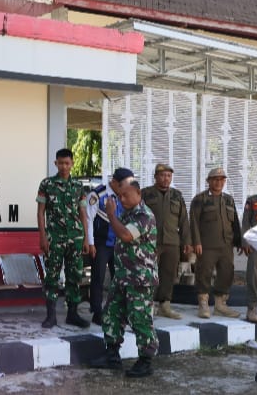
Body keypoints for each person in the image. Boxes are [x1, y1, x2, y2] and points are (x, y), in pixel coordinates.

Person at [90, 177, 158, 378]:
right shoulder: (127, 214)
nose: (121, 199)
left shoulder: (144, 215)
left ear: (138, 194)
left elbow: (126, 235)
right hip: (122, 277)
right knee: (111, 315)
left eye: (126, 195)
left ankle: (145, 361)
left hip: (139, 279)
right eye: (119, 196)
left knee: (140, 319)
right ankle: (112, 355)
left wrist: (111, 215)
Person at [37, 148, 90, 329]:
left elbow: (83, 212)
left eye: (67, 163)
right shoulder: (47, 184)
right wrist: (43, 237)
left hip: (75, 237)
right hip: (54, 237)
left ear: (72, 163)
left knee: (74, 276)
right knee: (52, 276)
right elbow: (40, 212)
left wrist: (85, 239)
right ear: (55, 163)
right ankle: (51, 316)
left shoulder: (78, 186)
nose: (64, 166)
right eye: (60, 163)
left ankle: (72, 314)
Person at [141, 163, 192, 320]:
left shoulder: (177, 195)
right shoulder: (145, 194)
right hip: (150, 241)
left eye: (169, 176)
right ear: (156, 176)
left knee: (169, 274)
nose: (166, 178)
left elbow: (184, 220)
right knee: (148, 273)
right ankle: (147, 305)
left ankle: (165, 305)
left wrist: (187, 242)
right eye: (162, 175)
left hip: (172, 242)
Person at [190, 167, 242, 319]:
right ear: (209, 181)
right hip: (207, 245)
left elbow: (235, 222)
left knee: (226, 272)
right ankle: (203, 304)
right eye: (215, 179)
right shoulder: (200, 199)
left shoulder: (229, 199)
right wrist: (196, 242)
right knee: (203, 273)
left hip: (226, 245)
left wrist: (239, 241)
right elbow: (194, 222)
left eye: (221, 179)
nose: (219, 182)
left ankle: (220, 305)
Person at [85, 168, 134, 325]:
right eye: (125, 185)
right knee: (98, 278)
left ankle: (118, 311)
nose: (127, 189)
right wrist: (90, 243)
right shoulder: (97, 194)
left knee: (119, 278)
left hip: (119, 243)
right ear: (114, 182)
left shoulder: (125, 196)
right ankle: (97, 311)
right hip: (101, 243)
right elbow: (88, 220)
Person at [241, 171, 257, 323]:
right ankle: (252, 308)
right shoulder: (252, 201)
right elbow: (245, 222)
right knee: (253, 275)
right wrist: (245, 242)